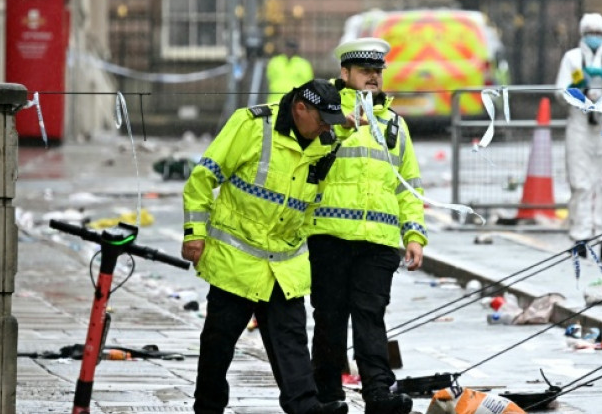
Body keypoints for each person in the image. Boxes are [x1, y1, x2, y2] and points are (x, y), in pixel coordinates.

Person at [182, 79, 349, 414]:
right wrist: (194, 232)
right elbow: (202, 178)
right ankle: (208, 408)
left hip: (283, 262)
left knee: (292, 341)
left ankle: (306, 407)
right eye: (321, 121)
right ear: (300, 108)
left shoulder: (325, 138)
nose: (325, 129)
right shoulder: (251, 125)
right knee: (218, 344)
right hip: (237, 260)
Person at [303, 37, 426, 414]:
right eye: (364, 71)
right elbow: (306, 159)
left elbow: (410, 185)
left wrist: (414, 235)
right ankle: (327, 395)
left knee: (371, 318)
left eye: (377, 72)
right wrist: (340, 126)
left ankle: (378, 393)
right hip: (330, 236)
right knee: (329, 318)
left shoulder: (394, 125)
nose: (372, 78)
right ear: (345, 73)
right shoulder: (323, 113)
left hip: (378, 241)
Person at [554, 13, 602, 260]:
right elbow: (560, 91)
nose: (593, 37)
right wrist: (578, 90)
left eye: (598, 32)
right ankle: (581, 236)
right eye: (589, 31)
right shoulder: (572, 59)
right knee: (580, 182)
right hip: (580, 122)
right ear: (581, 33)